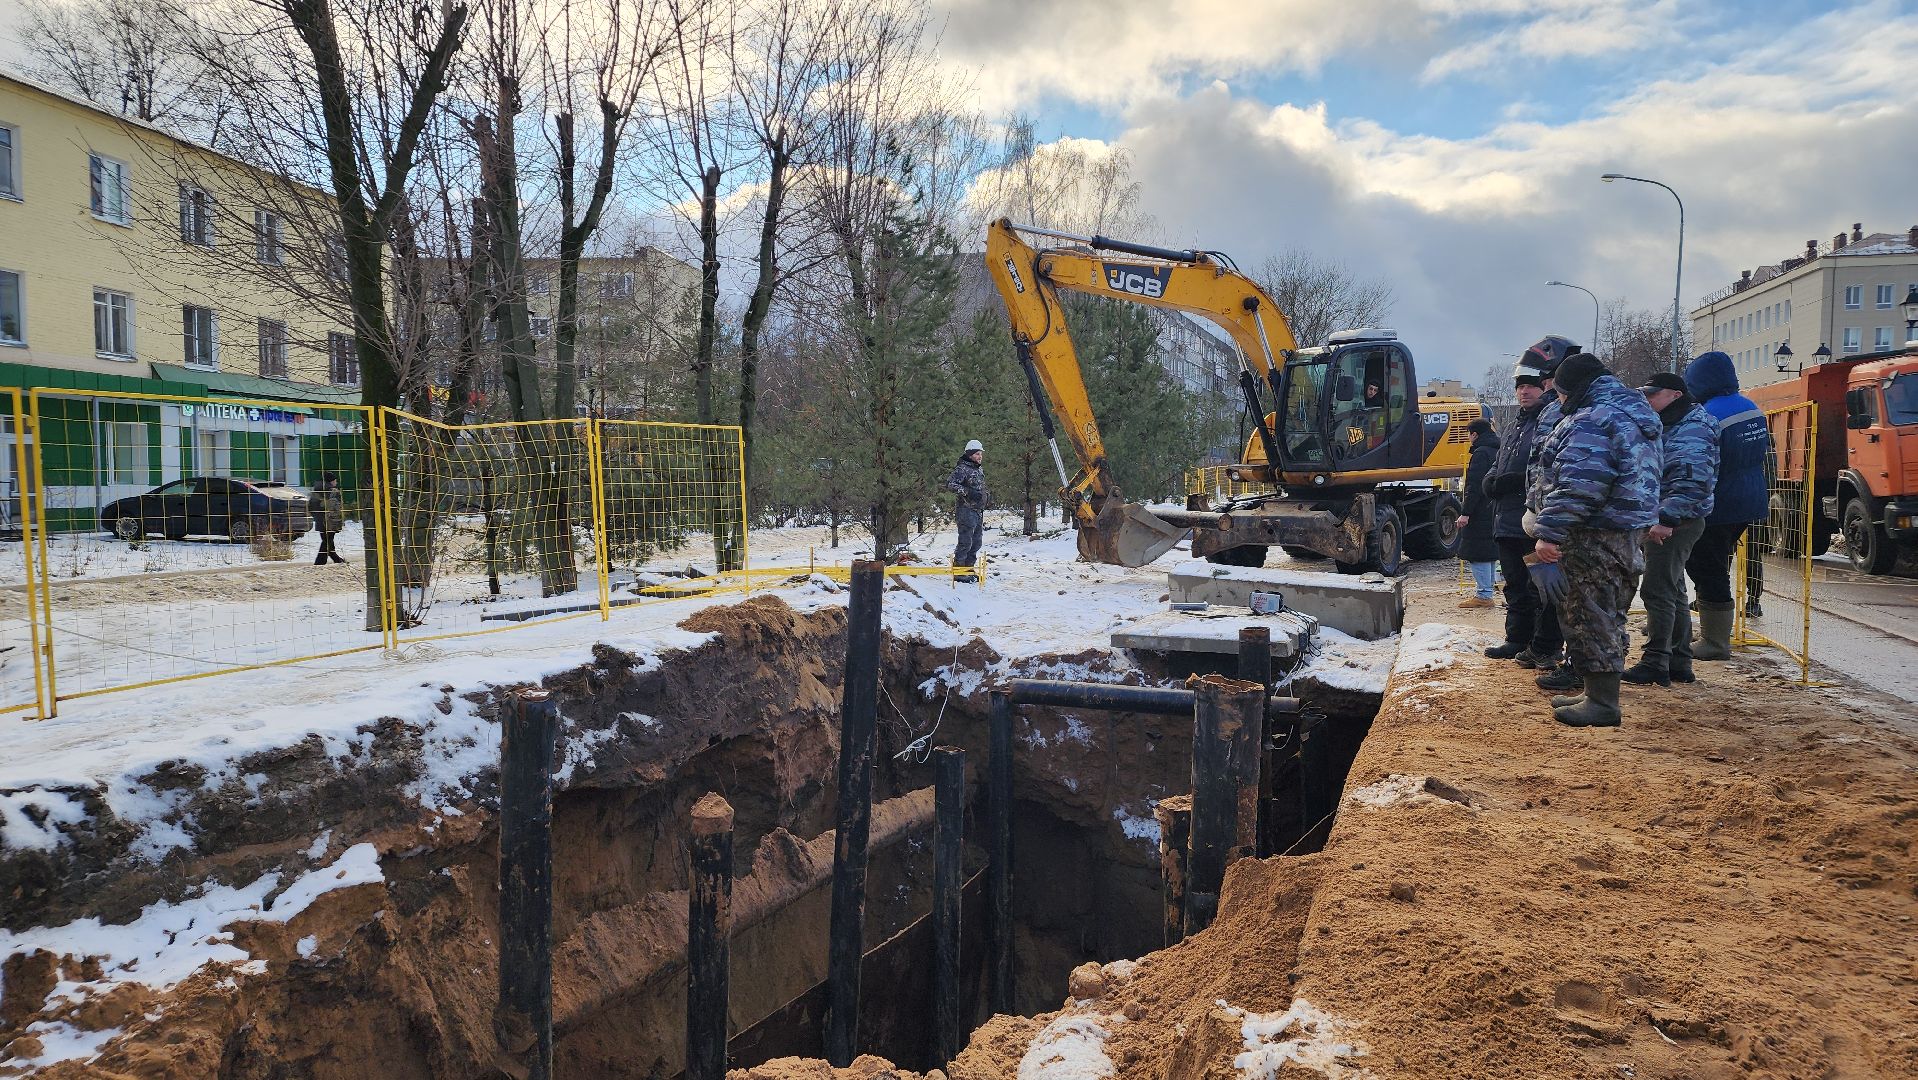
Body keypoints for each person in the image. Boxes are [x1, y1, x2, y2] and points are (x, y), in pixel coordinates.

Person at [1525, 353, 1663, 727]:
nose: (1558, 401)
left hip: (1593, 534)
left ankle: (1602, 703)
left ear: (1574, 390)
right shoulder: (1633, 413)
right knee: (1608, 611)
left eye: (1559, 394)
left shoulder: (1594, 419)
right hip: (1623, 531)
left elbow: (1580, 485)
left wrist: (1549, 531)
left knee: (1590, 613)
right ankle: (1596, 690)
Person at [1482, 336, 1577, 665]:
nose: (1525, 391)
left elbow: (1543, 469)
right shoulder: (1513, 426)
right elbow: (1499, 463)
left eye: (1532, 385)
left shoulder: (1550, 421)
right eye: (1520, 386)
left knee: (1539, 590)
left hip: (1532, 521)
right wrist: (1491, 480)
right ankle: (1517, 638)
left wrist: (1514, 482)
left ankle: (1542, 645)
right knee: (1515, 588)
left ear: (1546, 386)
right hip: (1505, 520)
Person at [1624, 372, 1718, 687]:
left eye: (1652, 393)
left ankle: (1656, 662)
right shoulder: (1675, 422)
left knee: (1657, 589)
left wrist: (1666, 518)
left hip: (1675, 520)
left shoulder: (1693, 427)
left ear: (1675, 395)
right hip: (1670, 517)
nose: (1646, 398)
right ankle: (1678, 662)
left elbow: (1693, 481)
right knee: (1673, 589)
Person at [1681, 350, 1771, 660]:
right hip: (1750, 497)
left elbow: (1704, 462)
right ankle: (1709, 634)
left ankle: (1715, 642)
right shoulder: (1750, 407)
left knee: (1707, 567)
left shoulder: (1709, 414)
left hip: (1720, 501)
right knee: (1715, 563)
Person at [1456, 418, 1500, 609]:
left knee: (1477, 551)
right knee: (1489, 551)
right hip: (1494, 507)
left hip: (1479, 510)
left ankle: (1483, 594)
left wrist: (1466, 512)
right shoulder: (1498, 449)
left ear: (1474, 434)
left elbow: (1474, 486)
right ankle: (1487, 591)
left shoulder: (1480, 453)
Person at [944, 439, 988, 581]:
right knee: (965, 541)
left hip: (977, 511)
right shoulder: (962, 468)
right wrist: (967, 492)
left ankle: (969, 569)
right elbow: (950, 484)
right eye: (976, 454)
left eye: (980, 453)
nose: (979, 456)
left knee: (976, 542)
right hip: (966, 510)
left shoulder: (978, 469)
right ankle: (959, 571)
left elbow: (980, 487)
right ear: (969, 455)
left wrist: (986, 497)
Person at [311, 472, 347, 565]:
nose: (336, 482)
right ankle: (319, 562)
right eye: (335, 480)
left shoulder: (316, 491)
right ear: (331, 481)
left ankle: (336, 559)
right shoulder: (333, 492)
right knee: (327, 541)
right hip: (331, 521)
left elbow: (311, 506)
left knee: (327, 540)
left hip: (320, 520)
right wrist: (339, 520)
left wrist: (317, 516)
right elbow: (336, 508)